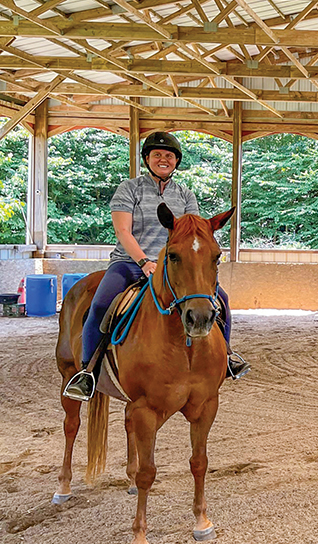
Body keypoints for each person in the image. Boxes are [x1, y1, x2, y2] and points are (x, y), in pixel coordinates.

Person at [63, 132, 250, 402]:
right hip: (129, 264)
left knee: (220, 299)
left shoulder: (185, 194)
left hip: (172, 266)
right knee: (101, 305)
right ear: (147, 159)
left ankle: (228, 356)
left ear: (176, 162)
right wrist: (144, 261)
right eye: (157, 155)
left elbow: (193, 236)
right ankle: (87, 372)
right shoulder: (129, 189)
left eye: (169, 156)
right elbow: (123, 231)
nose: (164, 159)